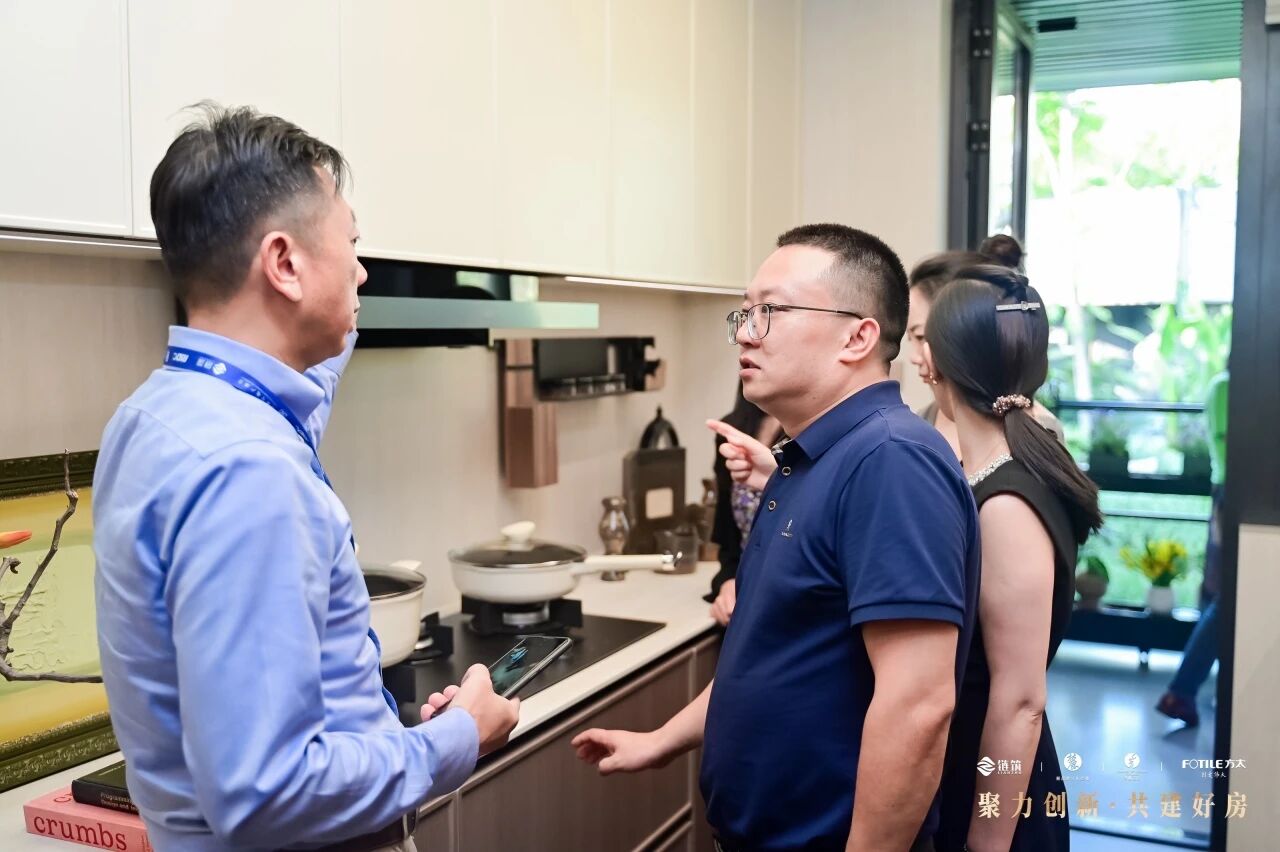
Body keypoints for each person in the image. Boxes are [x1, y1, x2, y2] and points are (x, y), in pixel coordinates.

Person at [93, 105, 518, 852]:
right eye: (350, 243)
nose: (361, 270)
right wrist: (457, 737)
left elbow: (293, 397)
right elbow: (267, 793)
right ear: (284, 264)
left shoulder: (158, 414)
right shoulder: (248, 468)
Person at [573, 224, 981, 851]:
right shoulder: (805, 461)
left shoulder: (891, 461)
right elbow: (771, 653)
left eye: (772, 311)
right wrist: (661, 741)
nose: (745, 332)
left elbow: (919, 706)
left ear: (857, 337)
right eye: (745, 312)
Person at [919, 264, 1103, 852]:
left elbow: (1021, 701)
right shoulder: (996, 471)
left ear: (933, 364)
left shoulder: (1007, 503)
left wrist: (987, 840)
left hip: (995, 787)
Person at [905, 237, 1064, 459]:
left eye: (921, 336)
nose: (914, 356)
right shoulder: (921, 423)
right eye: (910, 338)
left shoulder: (1041, 428)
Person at [1156, 370, 1229, 726]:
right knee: (1226, 599)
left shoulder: (1222, 385)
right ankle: (1182, 691)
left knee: (1218, 595)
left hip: (1228, 493)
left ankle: (1200, 690)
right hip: (1235, 493)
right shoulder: (1228, 386)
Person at [704, 382, 782, 626]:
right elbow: (728, 538)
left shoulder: (818, 434)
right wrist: (728, 582)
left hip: (791, 605)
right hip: (745, 603)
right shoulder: (733, 431)